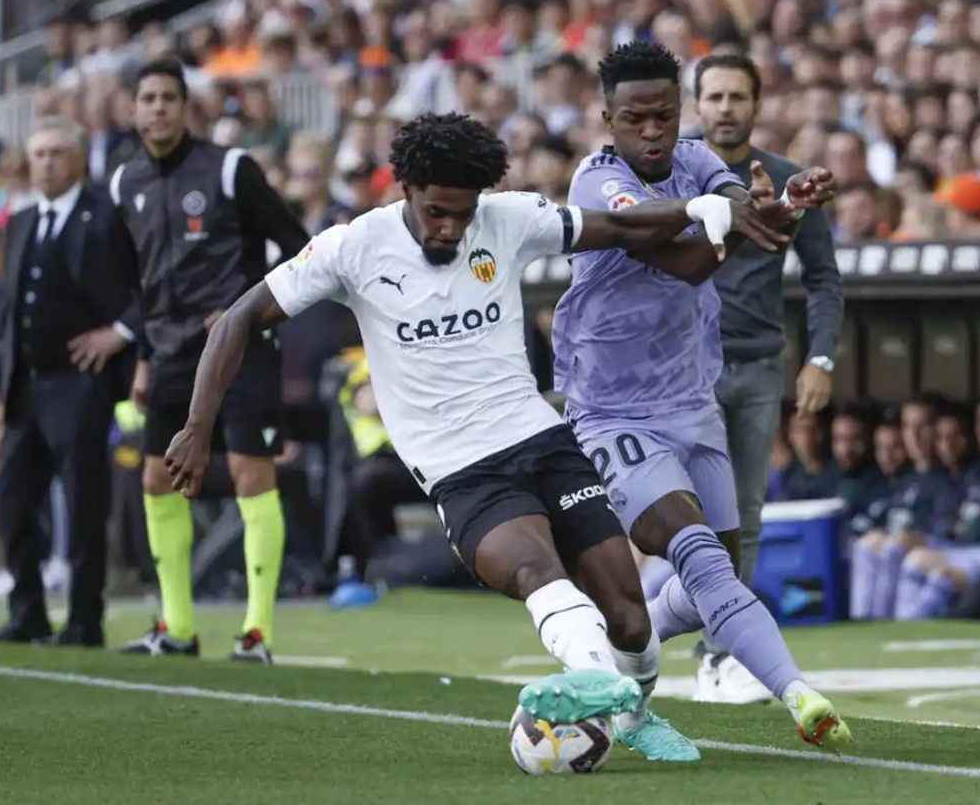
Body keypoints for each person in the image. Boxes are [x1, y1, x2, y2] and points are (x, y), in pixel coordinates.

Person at [161, 112, 782, 760]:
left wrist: (703, 204)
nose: (451, 228)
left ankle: (630, 713)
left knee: (628, 610)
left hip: (542, 441)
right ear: (405, 188)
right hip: (461, 469)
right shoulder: (352, 247)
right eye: (437, 213)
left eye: (463, 213)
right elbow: (237, 320)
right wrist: (197, 427)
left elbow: (622, 226)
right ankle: (598, 682)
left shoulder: (506, 219)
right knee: (539, 570)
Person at [553, 41, 851, 751]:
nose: (652, 132)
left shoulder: (696, 159)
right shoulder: (598, 183)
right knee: (701, 552)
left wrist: (777, 208)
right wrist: (736, 224)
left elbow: (735, 200)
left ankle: (614, 666)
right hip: (613, 412)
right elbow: (682, 259)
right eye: (636, 119)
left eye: (663, 115)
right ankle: (799, 693)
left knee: (706, 582)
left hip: (693, 403)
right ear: (609, 118)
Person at [109, 58, 309, 663]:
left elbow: (299, 243)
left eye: (169, 97)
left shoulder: (229, 169)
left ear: (185, 105)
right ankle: (177, 626)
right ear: (134, 109)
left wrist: (253, 312)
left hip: (240, 345)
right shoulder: (125, 183)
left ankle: (257, 633)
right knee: (155, 476)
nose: (159, 107)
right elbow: (138, 280)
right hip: (168, 351)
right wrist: (144, 358)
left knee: (252, 471)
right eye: (148, 98)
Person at [692, 52, 844, 700]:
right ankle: (643, 632)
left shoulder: (789, 181)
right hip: (679, 372)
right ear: (697, 105)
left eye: (737, 97)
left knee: (743, 515)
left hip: (755, 368)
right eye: (715, 96)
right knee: (679, 512)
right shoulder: (672, 175)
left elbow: (823, 278)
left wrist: (822, 356)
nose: (725, 107)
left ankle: (717, 649)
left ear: (756, 105)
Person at [0, 116, 139, 647]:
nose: (46, 162)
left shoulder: (106, 217)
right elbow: (8, 310)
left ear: (78, 158)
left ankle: (85, 620)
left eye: (57, 153)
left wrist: (118, 332)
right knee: (14, 502)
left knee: (84, 502)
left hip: (79, 383)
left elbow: (147, 284)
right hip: (26, 387)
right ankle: (29, 614)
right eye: (38, 153)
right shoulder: (19, 221)